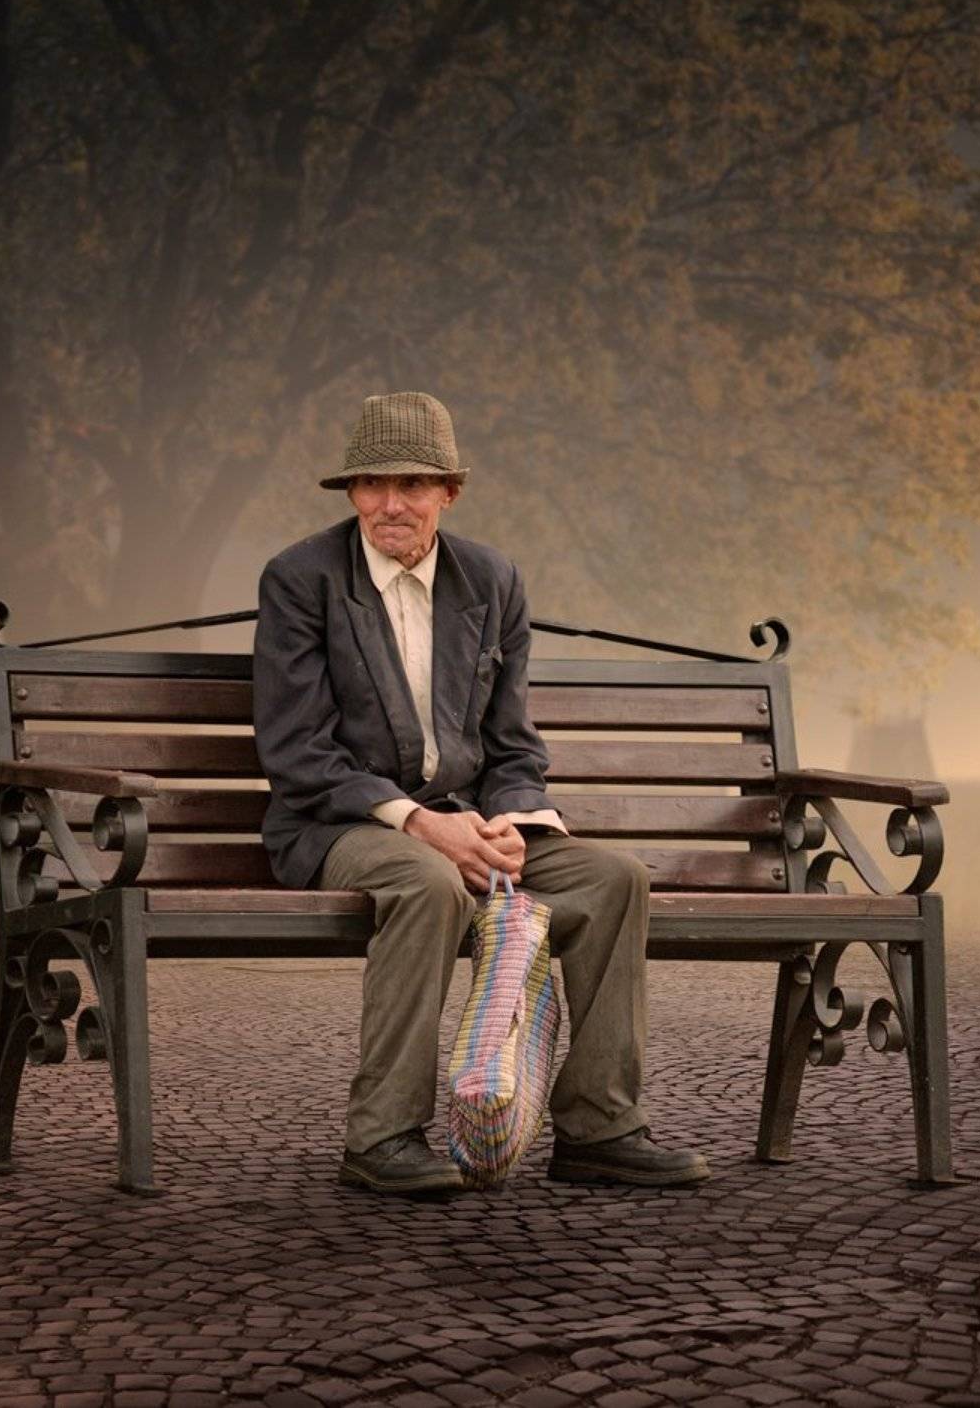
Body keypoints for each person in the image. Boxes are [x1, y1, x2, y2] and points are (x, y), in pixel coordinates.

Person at [252, 392, 711, 1196]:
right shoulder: (301, 579)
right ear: (351, 491)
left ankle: (600, 1126)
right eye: (371, 484)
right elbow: (298, 753)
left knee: (613, 880)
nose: (389, 504)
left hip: (469, 826)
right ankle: (382, 1137)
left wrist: (514, 826)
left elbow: (513, 745)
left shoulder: (492, 580)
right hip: (336, 825)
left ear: (449, 492)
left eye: (412, 485)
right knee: (429, 884)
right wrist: (421, 825)